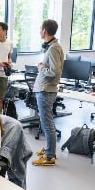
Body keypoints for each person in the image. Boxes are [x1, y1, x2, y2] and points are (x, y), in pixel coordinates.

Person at [32, 19, 64, 167]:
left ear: (45, 30)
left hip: (46, 90)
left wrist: (40, 67)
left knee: (47, 124)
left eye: (40, 28)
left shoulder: (53, 49)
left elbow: (54, 72)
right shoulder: (51, 47)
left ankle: (50, 156)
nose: (39, 31)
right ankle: (49, 149)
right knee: (46, 123)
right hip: (44, 89)